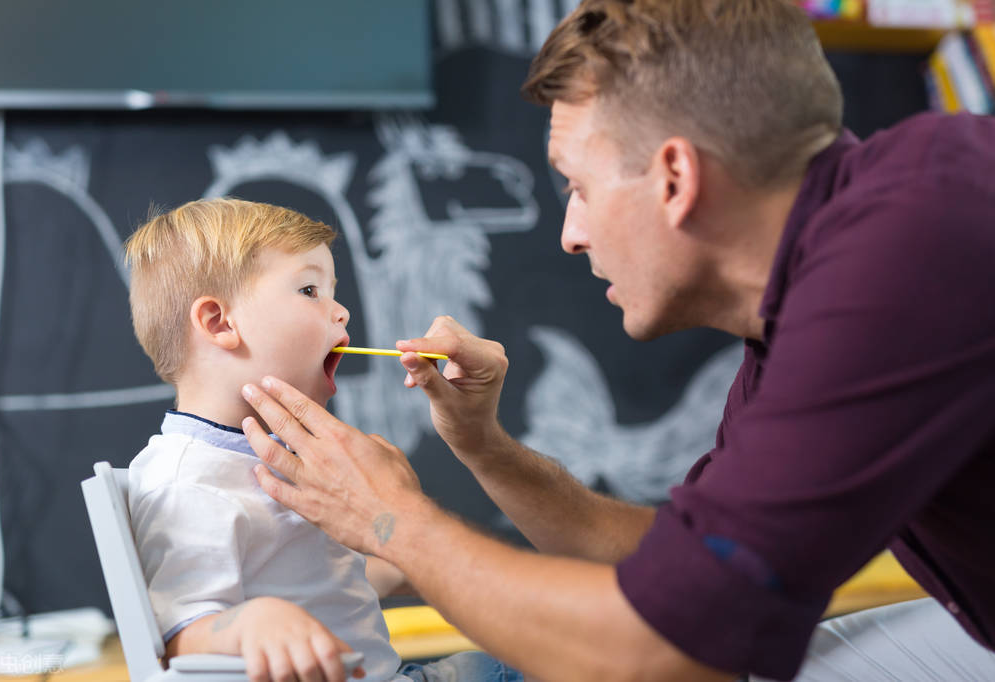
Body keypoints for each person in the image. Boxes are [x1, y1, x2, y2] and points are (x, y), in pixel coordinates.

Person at [236, 1, 995, 681]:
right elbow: (674, 568)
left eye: (576, 185)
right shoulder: (809, 291)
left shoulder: (906, 249)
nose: (570, 235)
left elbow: (665, 650)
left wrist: (388, 521)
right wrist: (484, 446)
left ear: (674, 177)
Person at [124, 198, 523, 682]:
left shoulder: (276, 458)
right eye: (310, 289)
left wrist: (404, 559)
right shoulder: (186, 479)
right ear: (219, 323)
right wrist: (249, 622)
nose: (341, 312)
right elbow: (180, 633)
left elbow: (326, 584)